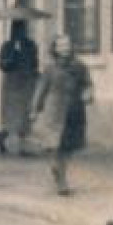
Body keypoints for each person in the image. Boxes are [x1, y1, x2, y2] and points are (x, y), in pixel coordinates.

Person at [30, 33, 93, 196]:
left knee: (69, 145)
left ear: (71, 47)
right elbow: (41, 89)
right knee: (56, 144)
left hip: (74, 109)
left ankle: (60, 170)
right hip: (55, 109)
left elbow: (88, 83)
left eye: (67, 45)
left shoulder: (80, 66)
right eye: (61, 45)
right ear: (55, 49)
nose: (64, 48)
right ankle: (60, 178)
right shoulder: (50, 68)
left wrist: (88, 93)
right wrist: (35, 109)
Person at [0, 20, 40, 156]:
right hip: (11, 84)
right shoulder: (7, 46)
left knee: (24, 113)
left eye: (22, 30)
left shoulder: (31, 45)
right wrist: (13, 54)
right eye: (16, 30)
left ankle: (23, 145)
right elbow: (2, 65)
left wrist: (33, 74)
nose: (19, 33)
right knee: (10, 114)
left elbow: (35, 63)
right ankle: (2, 138)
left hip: (26, 83)